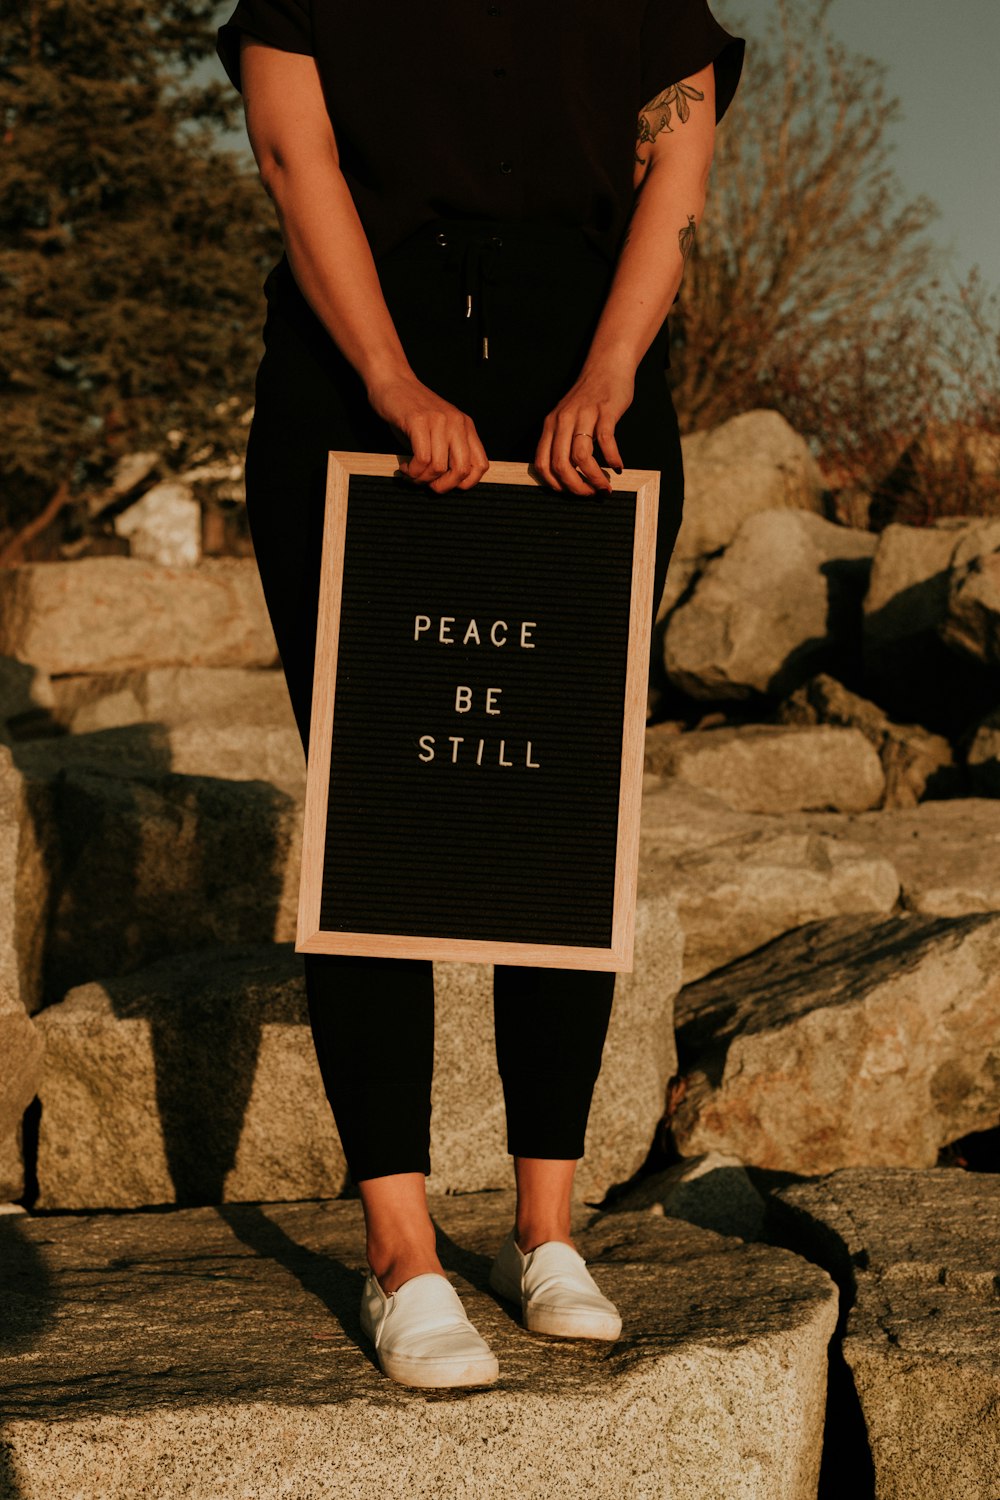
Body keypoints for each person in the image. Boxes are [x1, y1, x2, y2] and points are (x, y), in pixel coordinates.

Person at [215, 0, 744, 1391]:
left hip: (590, 373)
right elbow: (292, 152)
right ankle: (402, 1246)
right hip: (355, 369)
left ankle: (547, 1229)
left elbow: (677, 166)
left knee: (561, 796)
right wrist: (391, 378)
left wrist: (613, 369)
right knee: (376, 801)